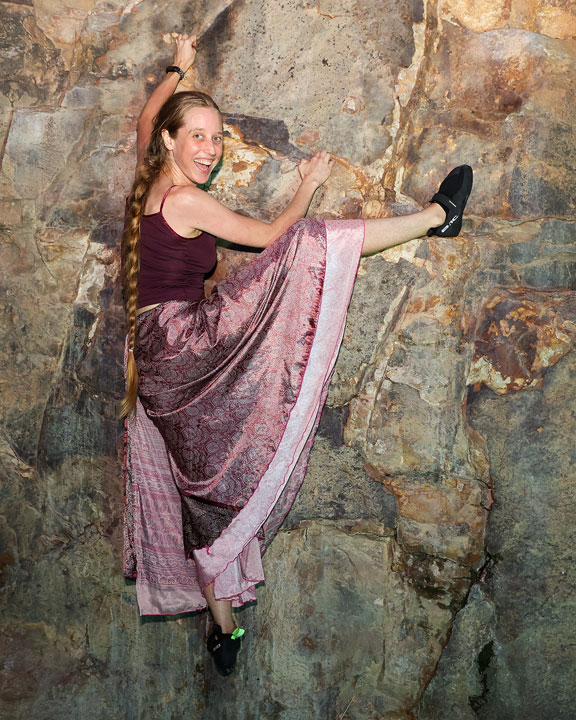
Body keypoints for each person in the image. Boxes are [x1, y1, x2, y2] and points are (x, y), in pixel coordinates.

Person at [121, 34, 473, 676]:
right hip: (180, 341)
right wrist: (307, 184)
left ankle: (221, 627)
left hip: (155, 358)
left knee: (200, 476)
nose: (211, 148)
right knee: (306, 244)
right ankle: (433, 218)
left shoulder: (149, 177)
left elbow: (148, 117)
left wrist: (181, 70)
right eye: (197, 135)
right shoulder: (187, 201)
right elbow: (269, 236)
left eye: (217, 136)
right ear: (172, 144)